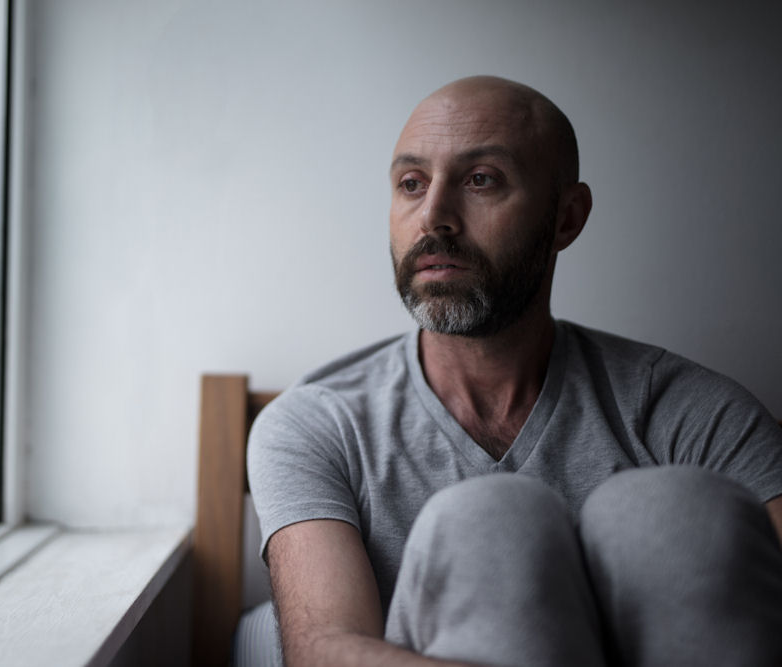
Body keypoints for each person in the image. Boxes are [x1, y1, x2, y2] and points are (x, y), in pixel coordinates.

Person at [247, 75, 782, 666]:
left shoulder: (694, 415)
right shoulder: (315, 425)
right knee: (491, 522)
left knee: (671, 510)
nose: (435, 217)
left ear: (566, 218)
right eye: (411, 184)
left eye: (481, 180)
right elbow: (326, 653)